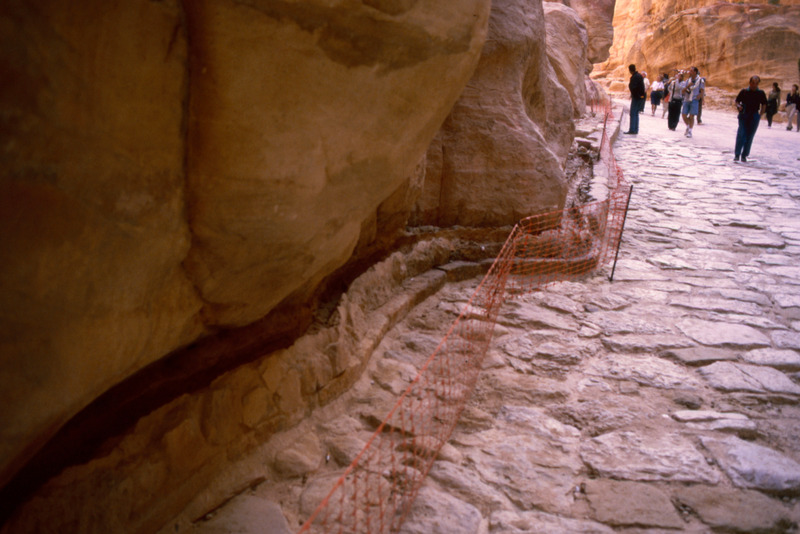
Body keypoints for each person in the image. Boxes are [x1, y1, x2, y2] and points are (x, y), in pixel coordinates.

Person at [734, 75, 767, 163]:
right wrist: (739, 106)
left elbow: (764, 104)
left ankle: (744, 155)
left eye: (756, 83)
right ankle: (737, 154)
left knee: (750, 136)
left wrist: (760, 115)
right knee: (741, 134)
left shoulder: (761, 93)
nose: (754, 85)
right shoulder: (744, 91)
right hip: (744, 114)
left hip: (754, 116)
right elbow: (737, 101)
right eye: (753, 83)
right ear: (749, 83)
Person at [681, 66, 705, 138]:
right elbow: (682, 91)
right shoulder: (687, 81)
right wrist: (688, 85)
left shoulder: (700, 81)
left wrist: (700, 97)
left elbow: (702, 90)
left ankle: (690, 131)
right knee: (684, 115)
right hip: (687, 99)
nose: (689, 72)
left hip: (694, 99)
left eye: (691, 71)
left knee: (692, 116)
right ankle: (688, 126)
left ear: (695, 72)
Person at [625, 64, 646, 134]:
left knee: (633, 113)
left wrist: (634, 95)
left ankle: (632, 129)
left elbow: (634, 88)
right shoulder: (639, 76)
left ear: (630, 70)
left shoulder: (634, 77)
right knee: (636, 113)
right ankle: (635, 129)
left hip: (636, 97)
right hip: (640, 96)